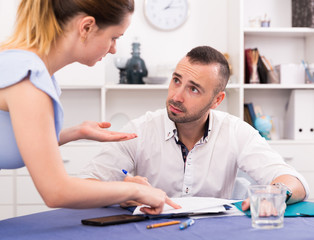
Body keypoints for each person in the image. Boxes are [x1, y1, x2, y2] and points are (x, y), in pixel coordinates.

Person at [0, 0, 180, 214]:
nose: (114, 50)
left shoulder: (22, 64)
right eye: (114, 38)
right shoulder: (29, 79)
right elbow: (56, 191)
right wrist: (133, 190)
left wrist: (76, 132)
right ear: (86, 27)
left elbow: (20, 141)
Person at [80, 45, 309, 210]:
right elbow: (84, 184)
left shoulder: (236, 131)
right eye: (176, 80)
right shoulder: (140, 130)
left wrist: (277, 192)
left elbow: (293, 181)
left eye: (194, 89)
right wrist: (120, 191)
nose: (176, 96)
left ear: (217, 100)